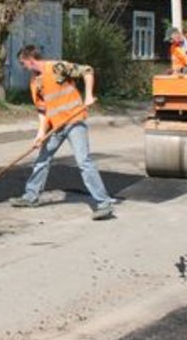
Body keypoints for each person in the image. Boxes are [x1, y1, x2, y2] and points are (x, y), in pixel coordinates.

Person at [10, 45, 115, 221]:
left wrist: (88, 95)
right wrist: (40, 134)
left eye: (23, 63)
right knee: (42, 159)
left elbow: (87, 71)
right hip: (56, 127)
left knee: (83, 161)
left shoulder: (57, 67)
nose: (23, 67)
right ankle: (30, 197)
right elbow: (43, 111)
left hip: (74, 122)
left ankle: (104, 203)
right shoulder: (35, 83)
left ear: (30, 60)